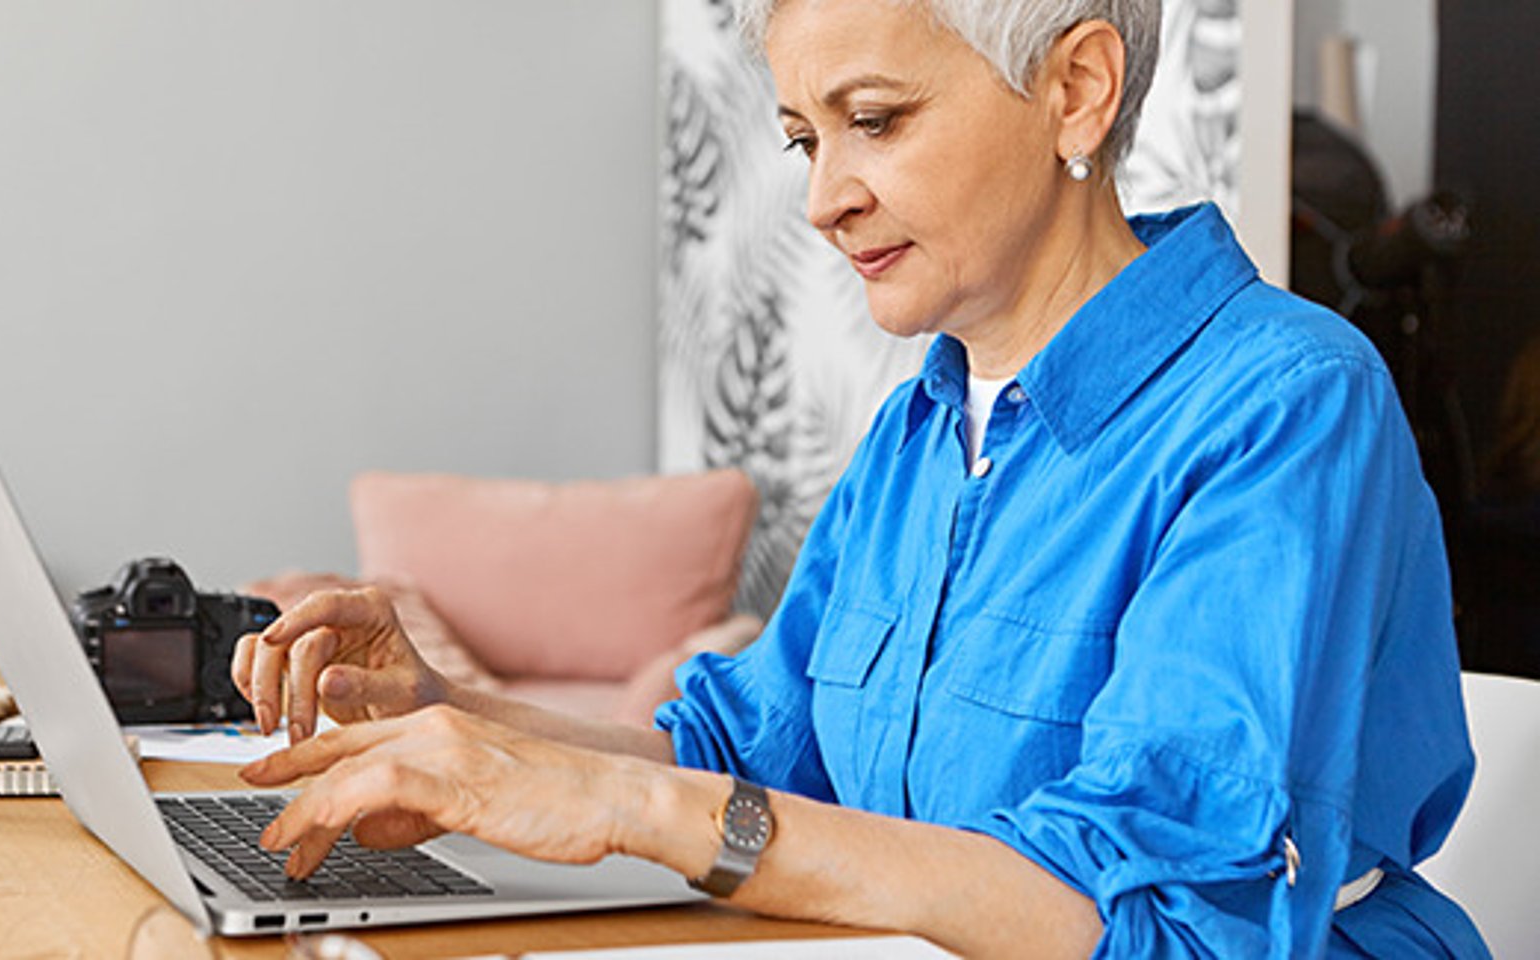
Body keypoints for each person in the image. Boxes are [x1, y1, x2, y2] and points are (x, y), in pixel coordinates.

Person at [228, 1, 1488, 955]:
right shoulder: (920, 429)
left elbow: (1168, 916)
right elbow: (742, 760)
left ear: (1076, 88)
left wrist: (623, 805)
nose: (826, 198)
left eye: (873, 120)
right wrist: (450, 713)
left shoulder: (1287, 405)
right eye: (801, 138)